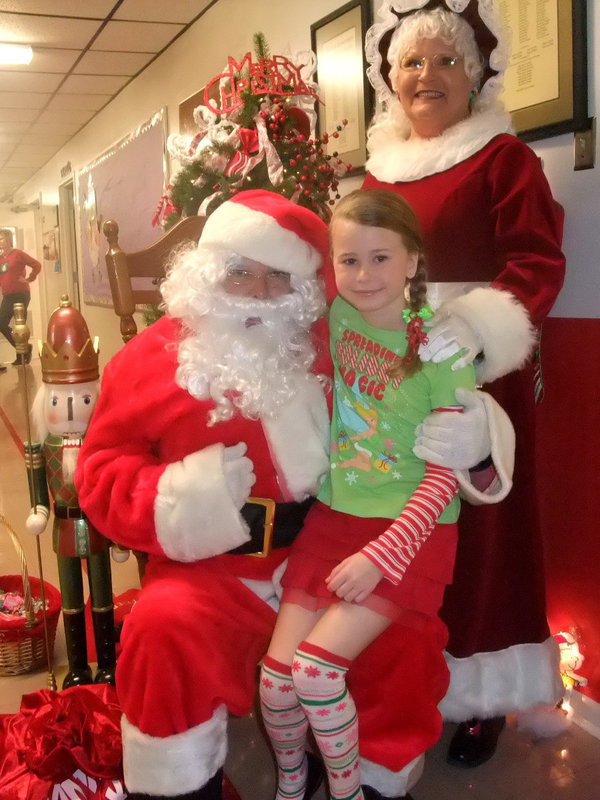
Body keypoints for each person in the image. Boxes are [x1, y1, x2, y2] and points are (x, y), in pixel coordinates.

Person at [77, 189, 479, 800]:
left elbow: (420, 354)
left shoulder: (333, 336)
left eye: (279, 277)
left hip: (330, 549)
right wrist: (181, 500)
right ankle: (179, 786)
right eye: (241, 273)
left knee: (406, 637)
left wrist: (477, 430)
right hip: (210, 572)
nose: (262, 293)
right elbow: (101, 469)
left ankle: (372, 783)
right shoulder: (147, 359)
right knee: (162, 631)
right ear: (208, 272)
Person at [363, 0, 566, 767]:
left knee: (481, 535)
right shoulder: (376, 171)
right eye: (412, 61)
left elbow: (537, 261)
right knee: (397, 523)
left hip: (475, 375)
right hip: (389, 372)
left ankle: (479, 691)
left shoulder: (503, 159)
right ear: (392, 77)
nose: (427, 75)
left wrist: (476, 332)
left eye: (446, 60)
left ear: (475, 76)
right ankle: (403, 672)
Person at [25, 296, 116, 689]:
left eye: (80, 399)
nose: (67, 410)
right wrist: (40, 511)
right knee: (72, 598)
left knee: (103, 595)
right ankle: (78, 666)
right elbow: (39, 490)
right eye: (59, 401)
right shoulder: (44, 448)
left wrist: (117, 532)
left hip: (96, 525)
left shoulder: (101, 446)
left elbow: (112, 484)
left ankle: (107, 662)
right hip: (63, 528)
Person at [0, 228, 40, 370]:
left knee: (19, 325)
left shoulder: (18, 254)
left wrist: (29, 278)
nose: (0, 241)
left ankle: (21, 356)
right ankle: (23, 348)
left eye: (2, 238)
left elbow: (36, 264)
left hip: (20, 294)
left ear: (9, 239)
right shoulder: (1, 258)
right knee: (2, 323)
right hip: (7, 295)